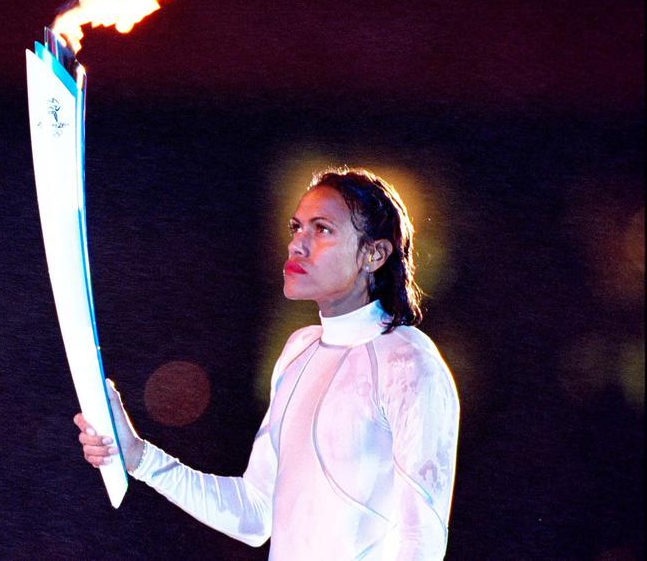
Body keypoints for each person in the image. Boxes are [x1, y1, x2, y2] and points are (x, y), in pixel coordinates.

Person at [75, 167, 460, 559]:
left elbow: (422, 541)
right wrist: (138, 456)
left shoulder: (409, 361)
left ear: (374, 254)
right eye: (296, 228)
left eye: (322, 229)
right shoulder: (299, 350)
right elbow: (255, 514)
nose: (297, 245)